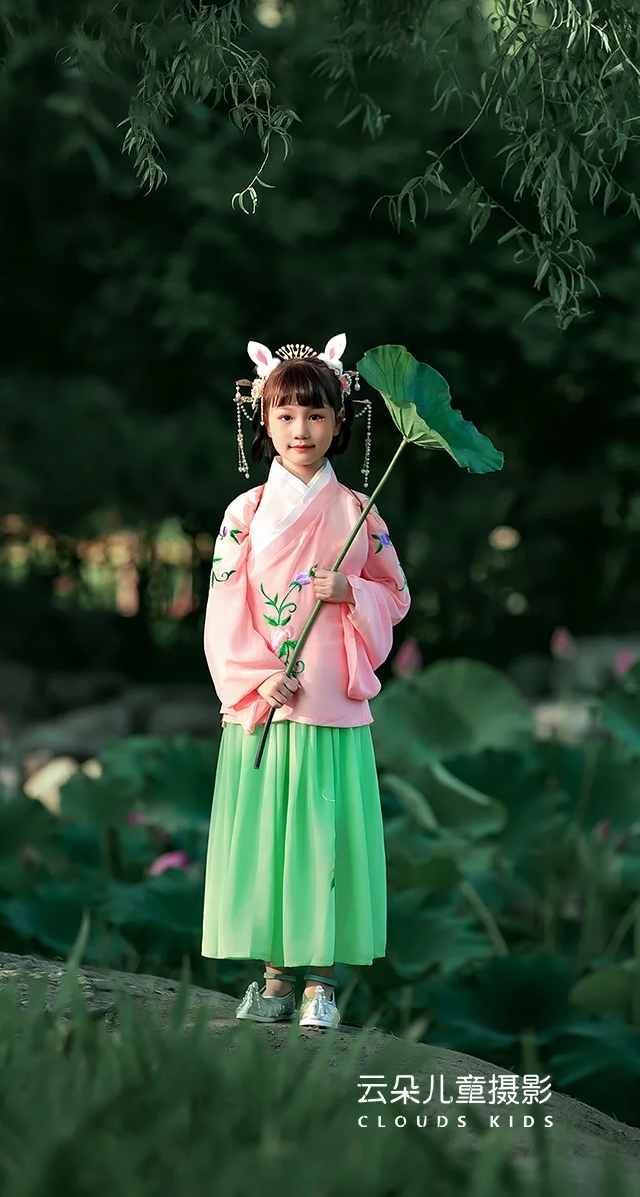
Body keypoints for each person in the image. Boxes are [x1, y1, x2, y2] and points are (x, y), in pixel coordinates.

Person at [200, 333, 410, 1030]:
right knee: (270, 833)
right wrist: (259, 677)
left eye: (317, 415)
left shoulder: (358, 512)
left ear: (340, 421)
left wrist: (350, 588)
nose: (301, 430)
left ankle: (322, 982)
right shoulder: (245, 514)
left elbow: (396, 594)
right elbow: (226, 605)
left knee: (325, 831)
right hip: (268, 698)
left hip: (330, 695)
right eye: (286, 415)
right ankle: (274, 979)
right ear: (263, 421)